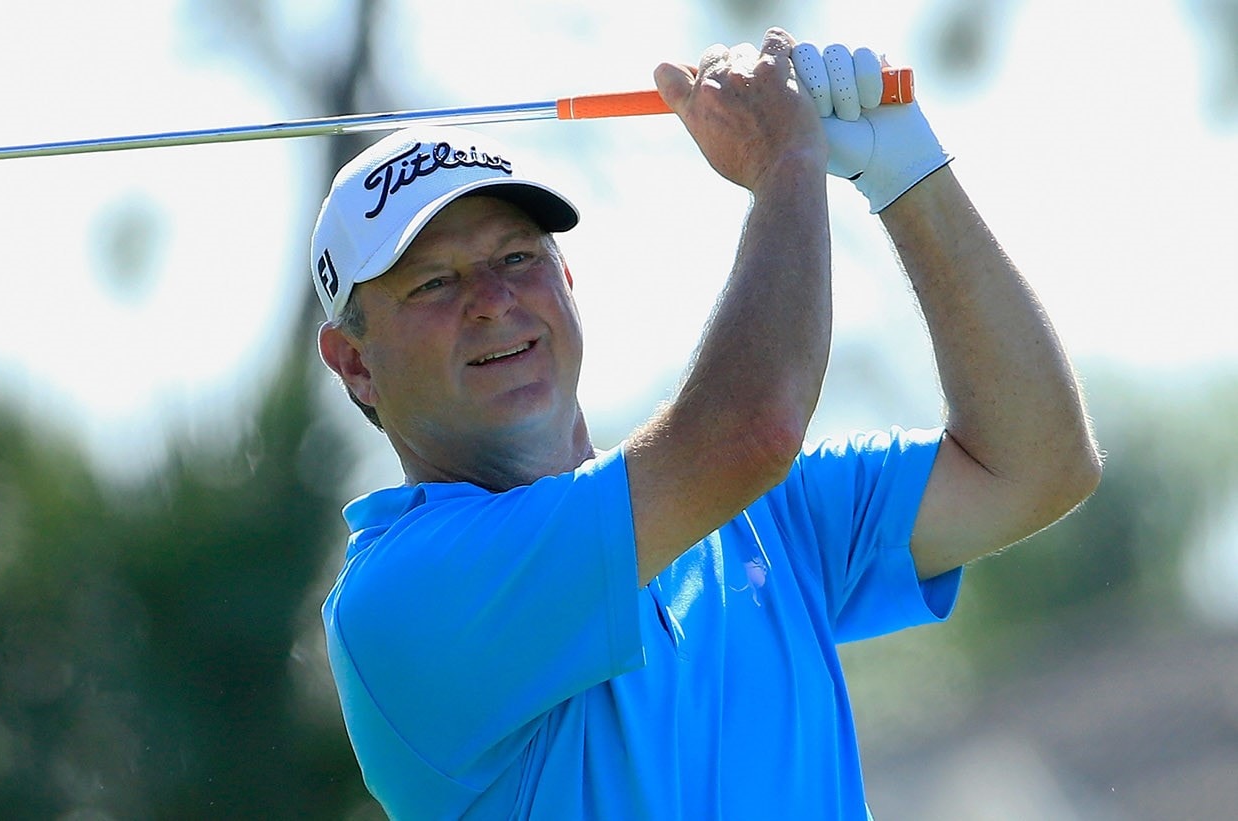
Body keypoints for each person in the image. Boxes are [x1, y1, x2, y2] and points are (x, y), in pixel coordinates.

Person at [310, 28, 1101, 820]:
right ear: (354, 363)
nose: (492, 299)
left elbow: (1035, 465)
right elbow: (751, 430)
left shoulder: (755, 516)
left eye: (519, 258)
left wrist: (910, 177)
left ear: (568, 279)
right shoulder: (401, 597)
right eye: (434, 282)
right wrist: (787, 164)